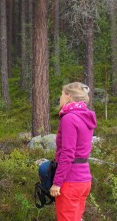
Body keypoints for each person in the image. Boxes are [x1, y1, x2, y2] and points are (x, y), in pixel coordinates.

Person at [49, 82, 97, 221]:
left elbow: (68, 153)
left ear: (69, 96)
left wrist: (57, 182)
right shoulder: (86, 116)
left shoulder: (69, 118)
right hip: (84, 180)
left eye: (62, 94)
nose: (61, 98)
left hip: (70, 181)